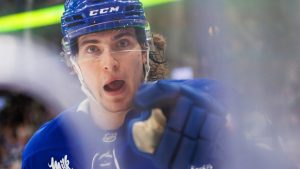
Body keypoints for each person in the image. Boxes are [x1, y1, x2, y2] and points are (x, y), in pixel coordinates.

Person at [21, 0, 295, 169]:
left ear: (144, 51)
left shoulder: (213, 102)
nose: (110, 63)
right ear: (73, 63)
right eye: (92, 49)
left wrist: (239, 145)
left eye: (123, 43)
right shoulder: (44, 150)